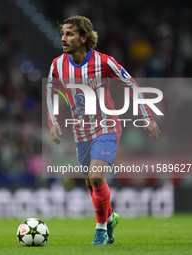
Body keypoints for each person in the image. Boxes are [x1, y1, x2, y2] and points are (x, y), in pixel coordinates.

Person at [46, 15, 160, 246]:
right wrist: (53, 122)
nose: (64, 38)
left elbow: (131, 85)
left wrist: (147, 116)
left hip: (106, 126)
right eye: (63, 34)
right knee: (91, 183)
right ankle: (110, 217)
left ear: (83, 38)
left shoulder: (104, 62)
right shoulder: (57, 65)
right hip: (81, 131)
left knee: (97, 177)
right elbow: (50, 92)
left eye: (69, 34)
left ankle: (101, 231)